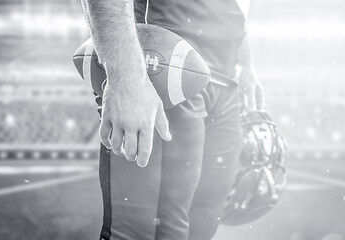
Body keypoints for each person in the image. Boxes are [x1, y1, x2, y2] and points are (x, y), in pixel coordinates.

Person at [81, 0, 264, 239]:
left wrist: (245, 62)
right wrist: (126, 78)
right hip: (165, 61)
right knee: (144, 231)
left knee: (199, 225)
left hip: (224, 75)